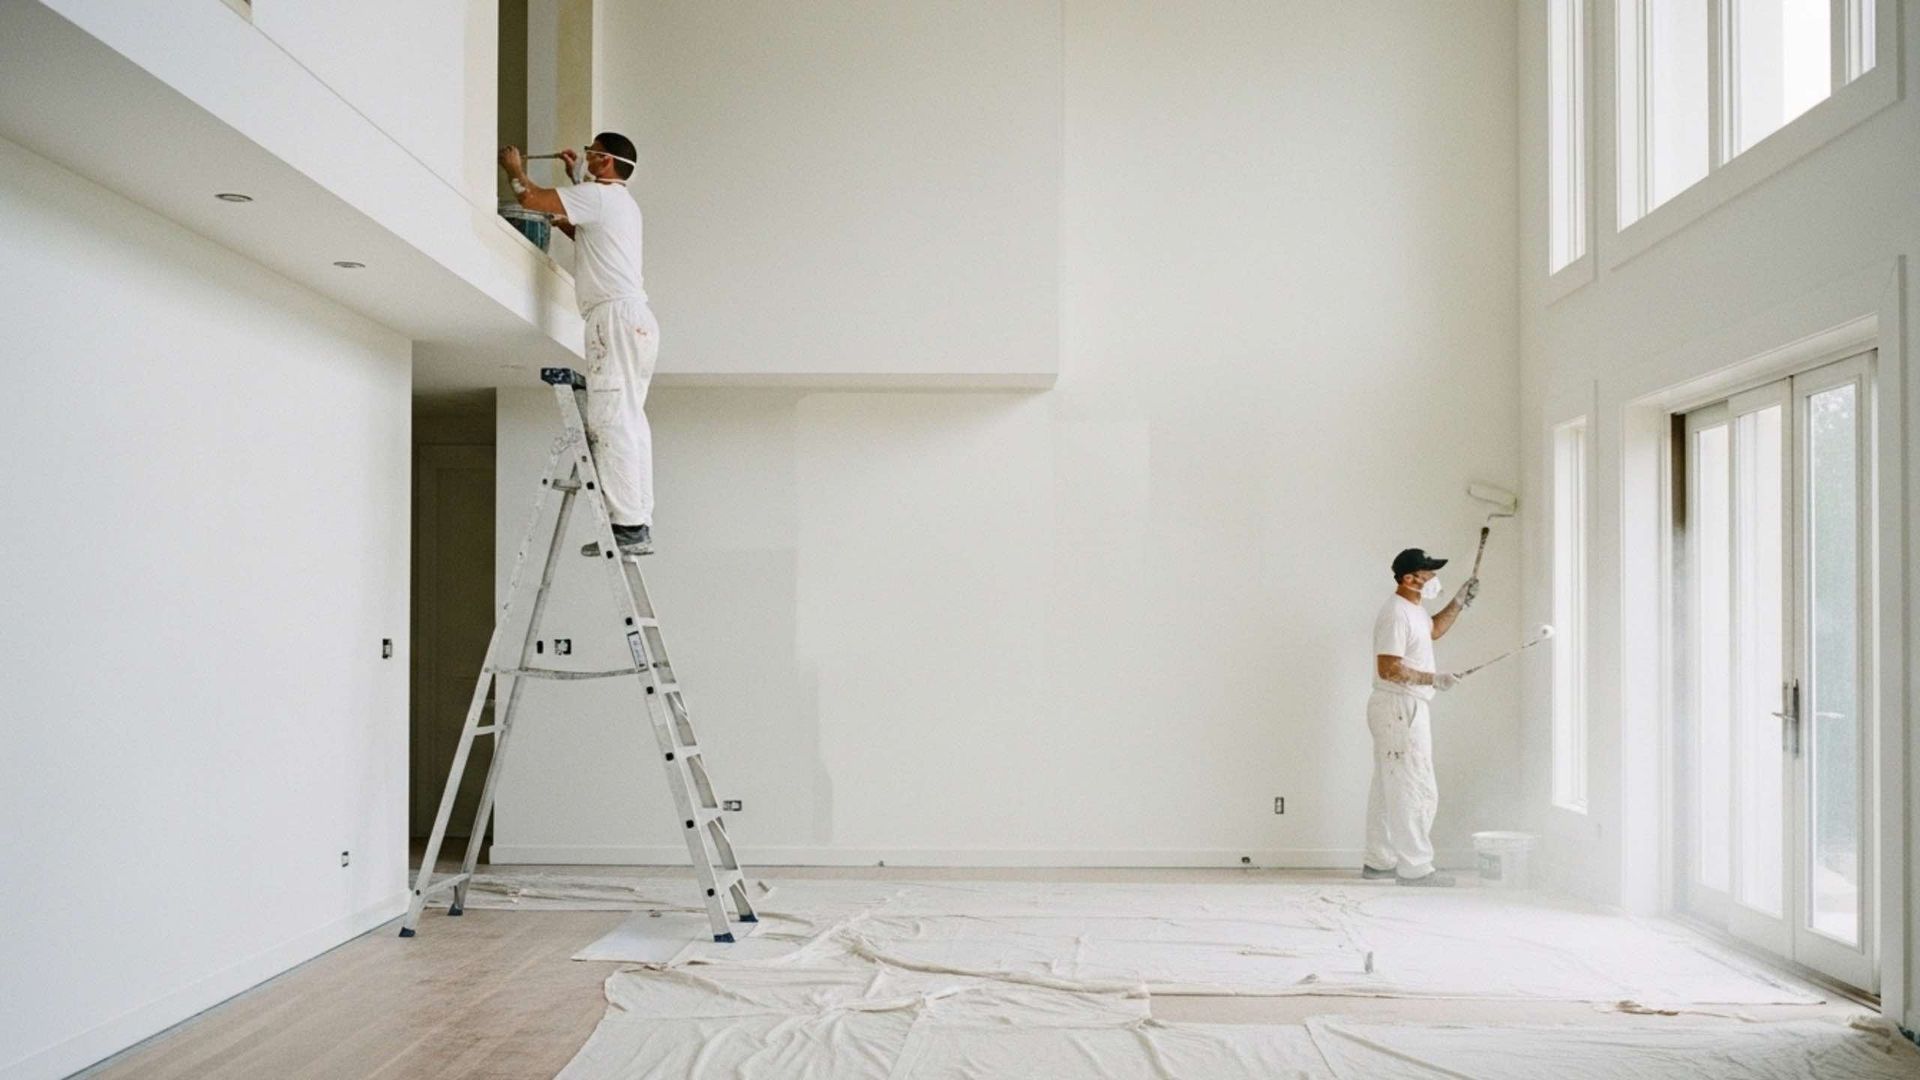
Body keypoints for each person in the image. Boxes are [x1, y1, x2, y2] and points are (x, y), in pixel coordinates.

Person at [498, 133, 658, 557]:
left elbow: (530, 198)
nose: (585, 157)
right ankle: (638, 520)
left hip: (613, 319)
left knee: (611, 420)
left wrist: (514, 168)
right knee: (629, 419)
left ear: (605, 161)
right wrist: (573, 181)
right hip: (635, 321)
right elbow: (585, 231)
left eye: (591, 153)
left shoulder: (600, 197)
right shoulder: (620, 203)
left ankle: (628, 524)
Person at [1363, 548, 1479, 886]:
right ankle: (1415, 868)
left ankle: (1380, 861)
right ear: (1409, 578)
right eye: (1428, 573)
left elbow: (1433, 630)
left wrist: (1458, 602)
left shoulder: (1414, 610)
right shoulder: (1396, 614)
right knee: (1412, 784)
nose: (1434, 578)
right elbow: (1388, 668)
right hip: (1399, 708)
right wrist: (1433, 679)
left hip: (1400, 707)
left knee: (1390, 786)